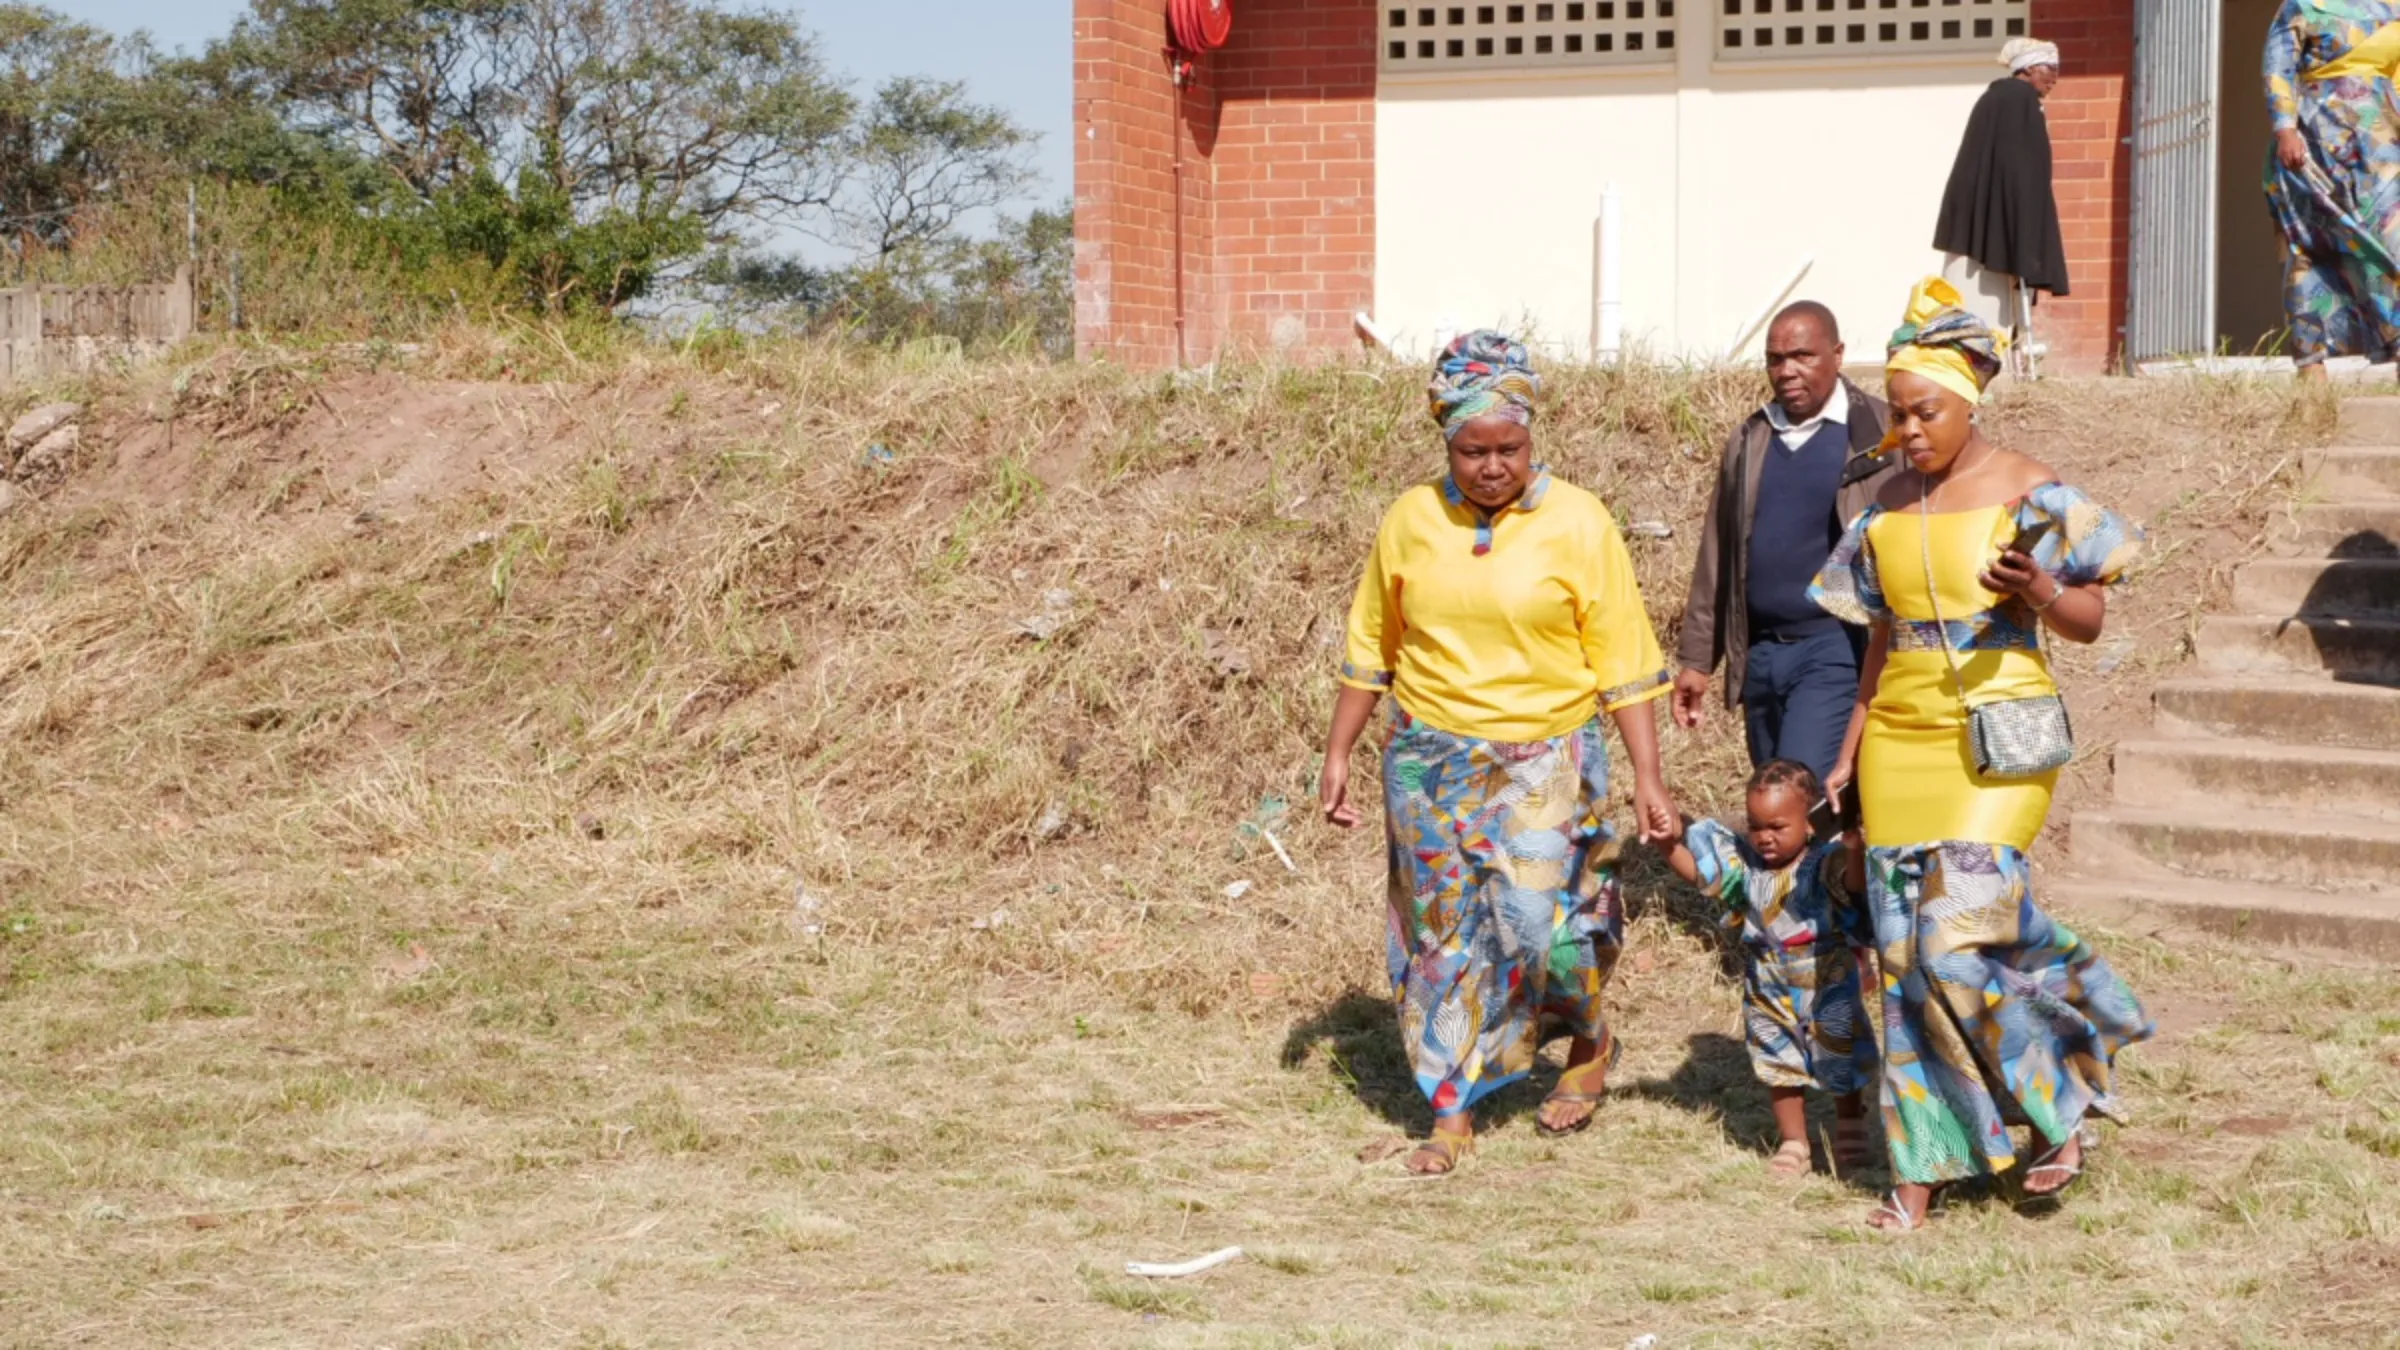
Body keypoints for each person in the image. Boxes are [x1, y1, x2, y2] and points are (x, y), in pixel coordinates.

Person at [1808, 277, 2154, 1232]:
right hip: (1903, 746)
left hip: (2003, 746)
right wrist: (1849, 755)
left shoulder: (2030, 488)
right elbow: (1875, 648)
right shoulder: (1881, 507)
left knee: (1956, 935)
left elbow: (2086, 622)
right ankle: (1919, 1169)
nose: (1911, 430)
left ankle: (2056, 1107)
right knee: (1904, 959)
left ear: (1971, 403)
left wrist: (2042, 585)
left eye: (1928, 412)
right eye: (1901, 412)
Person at [1319, 330, 1679, 1177]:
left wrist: (1649, 779)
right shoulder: (1412, 519)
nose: (1490, 465)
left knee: (1540, 931)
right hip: (1428, 759)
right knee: (1440, 935)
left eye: (1508, 448)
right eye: (1472, 449)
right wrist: (1339, 750)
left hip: (1544, 759)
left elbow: (1623, 659)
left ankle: (1588, 1040)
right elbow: (1373, 643)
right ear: (1446, 441)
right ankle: (1451, 1108)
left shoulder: (1579, 522)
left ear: (1532, 438)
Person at [1672, 301, 1896, 794]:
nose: (1787, 371)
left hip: (1833, 647)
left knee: (1797, 795)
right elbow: (1717, 553)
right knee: (1770, 801)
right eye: (1775, 359)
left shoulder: (1879, 435)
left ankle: (1820, 870)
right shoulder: (1751, 438)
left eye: (1802, 356)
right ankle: (1810, 873)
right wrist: (1696, 659)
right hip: (1760, 653)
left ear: (1837, 354)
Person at [1651, 758, 1875, 1179]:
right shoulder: (1746, 870)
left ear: (1809, 823)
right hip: (1765, 980)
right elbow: (1703, 876)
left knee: (1839, 1051)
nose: (1764, 837)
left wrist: (1857, 849)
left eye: (1777, 827)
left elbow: (1854, 891)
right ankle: (1794, 1140)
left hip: (1825, 976)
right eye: (1756, 826)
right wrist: (1668, 844)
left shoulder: (1826, 864)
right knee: (1777, 1058)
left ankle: (1849, 1122)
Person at [2263, 0, 2400, 380]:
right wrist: (2285, 129)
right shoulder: (2303, 6)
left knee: (2391, 239)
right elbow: (2278, 67)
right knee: (2310, 246)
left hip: (2380, 146)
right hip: (2315, 142)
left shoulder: (2391, 8)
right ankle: (2312, 363)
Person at [1933, 37, 2069, 349]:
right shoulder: (2019, 101)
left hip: (1977, 224)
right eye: (2050, 68)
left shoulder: (1997, 99)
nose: (2055, 76)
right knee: (1986, 316)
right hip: (1997, 230)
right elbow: (2021, 175)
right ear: (2030, 68)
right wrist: (2023, 234)